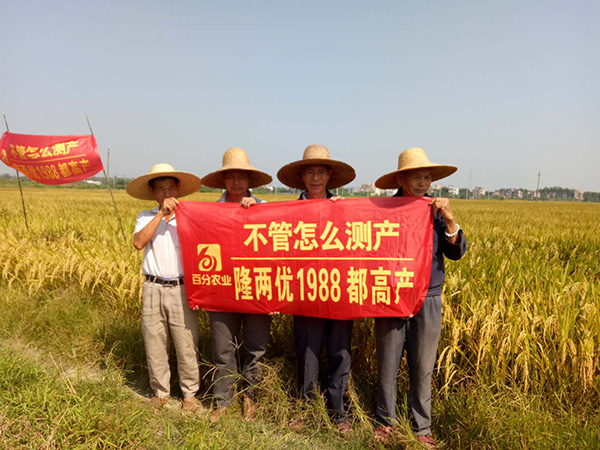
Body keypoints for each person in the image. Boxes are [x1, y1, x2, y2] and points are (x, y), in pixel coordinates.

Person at [372, 148, 467, 448]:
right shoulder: (383, 210)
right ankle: (385, 422)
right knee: (387, 364)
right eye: (416, 177)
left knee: (423, 366)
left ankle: (421, 426)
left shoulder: (436, 211)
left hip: (428, 296)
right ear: (401, 179)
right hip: (391, 295)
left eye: (427, 178)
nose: (423, 183)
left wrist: (450, 220)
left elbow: (456, 252)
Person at [277, 144, 356, 432]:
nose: (315, 178)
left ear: (329, 175)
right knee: (307, 353)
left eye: (320, 172)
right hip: (304, 291)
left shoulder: (343, 208)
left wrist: (344, 212)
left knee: (340, 352)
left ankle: (338, 412)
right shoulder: (288, 211)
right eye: (310, 172)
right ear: (302, 176)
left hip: (339, 292)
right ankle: (305, 409)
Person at [201, 147, 274, 423]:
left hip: (256, 288)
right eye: (230, 177)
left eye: (241, 177)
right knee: (223, 348)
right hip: (221, 288)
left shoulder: (263, 208)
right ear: (224, 180)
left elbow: (279, 246)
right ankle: (223, 400)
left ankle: (250, 398)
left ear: (249, 180)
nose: (236, 182)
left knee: (255, 348)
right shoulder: (209, 212)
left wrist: (256, 212)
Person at [126, 163, 203, 413]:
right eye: (161, 189)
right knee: (154, 340)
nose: (167, 193)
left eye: (171, 188)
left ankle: (190, 394)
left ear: (178, 190)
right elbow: (139, 242)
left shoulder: (190, 216)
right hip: (153, 287)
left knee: (186, 341)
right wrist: (161, 214)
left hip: (182, 287)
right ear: (153, 192)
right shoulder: (146, 216)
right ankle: (160, 392)